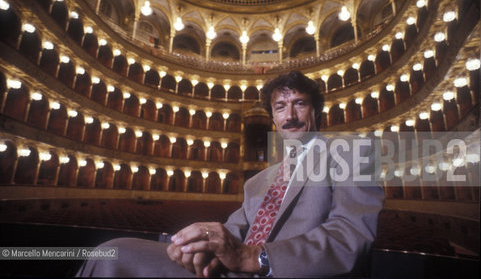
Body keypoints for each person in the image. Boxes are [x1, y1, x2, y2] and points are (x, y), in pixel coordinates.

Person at [77, 71, 384, 278]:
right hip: (229, 271)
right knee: (111, 252)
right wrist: (199, 245)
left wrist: (259, 258)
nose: (289, 116)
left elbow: (350, 236)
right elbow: (236, 230)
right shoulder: (259, 181)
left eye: (299, 104)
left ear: (317, 111)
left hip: (280, 272)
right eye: (280, 108)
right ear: (273, 119)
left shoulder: (351, 152)